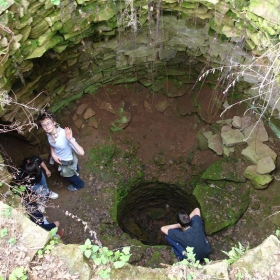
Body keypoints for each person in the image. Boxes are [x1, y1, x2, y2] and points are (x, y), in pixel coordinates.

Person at [37, 111, 85, 192]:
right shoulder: (49, 133)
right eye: (44, 125)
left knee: (69, 176)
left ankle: (79, 185)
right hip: (65, 157)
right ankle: (76, 169)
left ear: (54, 122)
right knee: (74, 164)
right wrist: (53, 154)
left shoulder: (64, 135)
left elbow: (81, 152)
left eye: (49, 123)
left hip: (66, 161)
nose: (47, 127)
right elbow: (52, 143)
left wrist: (70, 139)